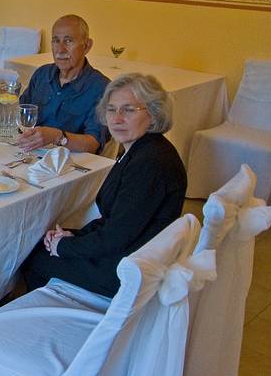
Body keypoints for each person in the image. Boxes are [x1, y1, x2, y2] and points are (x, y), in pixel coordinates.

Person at [22, 73, 187, 297]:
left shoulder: (150, 163)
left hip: (128, 270)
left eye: (128, 110)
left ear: (153, 113)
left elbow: (115, 237)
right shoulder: (142, 149)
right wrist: (71, 238)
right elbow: (116, 223)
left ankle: (57, 318)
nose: (116, 119)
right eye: (111, 109)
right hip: (131, 250)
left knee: (35, 258)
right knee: (43, 242)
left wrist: (63, 247)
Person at [17, 14, 109, 153]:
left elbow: (93, 143)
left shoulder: (101, 87)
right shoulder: (42, 75)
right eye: (55, 41)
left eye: (68, 41)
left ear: (86, 46)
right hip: (30, 154)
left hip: (69, 164)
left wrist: (58, 137)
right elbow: (22, 116)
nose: (60, 50)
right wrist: (3, 106)